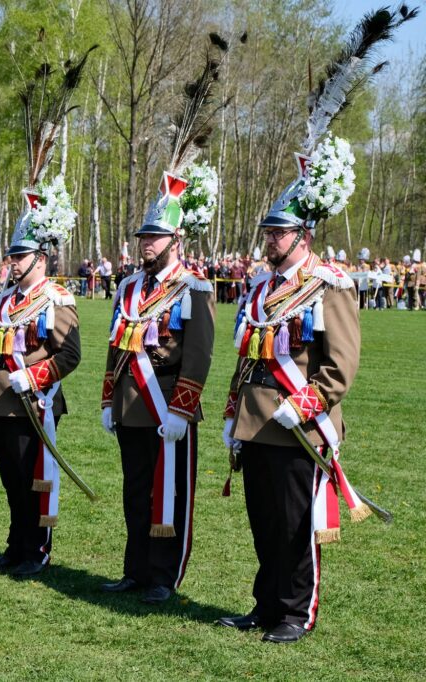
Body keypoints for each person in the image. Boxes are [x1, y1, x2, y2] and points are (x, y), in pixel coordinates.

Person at [216, 9, 405, 642]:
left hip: (299, 422)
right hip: (258, 421)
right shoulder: (261, 287)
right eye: (268, 231)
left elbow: (339, 364)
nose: (269, 239)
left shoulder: (331, 285)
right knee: (263, 523)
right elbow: (248, 355)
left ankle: (296, 611)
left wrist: (306, 404)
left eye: (279, 232)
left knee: (298, 523)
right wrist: (233, 412)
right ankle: (266, 604)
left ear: (304, 235)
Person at [100, 58, 222, 605]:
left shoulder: (193, 288)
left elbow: (198, 356)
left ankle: (164, 577)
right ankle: (134, 569)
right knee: (133, 493)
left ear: (175, 241)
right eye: (142, 238)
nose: (145, 244)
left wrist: (183, 408)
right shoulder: (129, 287)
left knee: (169, 493)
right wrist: (109, 398)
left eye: (154, 238)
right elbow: (116, 347)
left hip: (168, 406)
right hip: (132, 406)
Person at [0, 56, 86, 578]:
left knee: (33, 479)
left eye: (20, 256)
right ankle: (16, 543)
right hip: (2, 403)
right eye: (11, 255)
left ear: (40, 258)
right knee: (10, 482)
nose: (12, 262)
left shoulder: (56, 299)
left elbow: (70, 354)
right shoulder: (5, 299)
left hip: (34, 402)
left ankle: (37, 550)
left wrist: (34, 376)